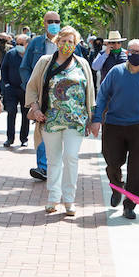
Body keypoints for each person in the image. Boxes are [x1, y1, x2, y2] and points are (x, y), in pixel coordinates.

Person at [26, 25, 94, 216]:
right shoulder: (45, 62)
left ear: (76, 44)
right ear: (57, 42)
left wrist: (91, 118)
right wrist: (36, 108)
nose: (66, 45)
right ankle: (53, 198)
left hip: (76, 120)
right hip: (51, 119)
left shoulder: (82, 64)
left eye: (70, 42)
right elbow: (32, 88)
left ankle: (69, 200)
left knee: (71, 157)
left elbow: (90, 92)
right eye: (63, 41)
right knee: (53, 159)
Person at [92, 38, 139, 220]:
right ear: (126, 52)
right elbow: (102, 95)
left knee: (137, 169)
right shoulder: (116, 72)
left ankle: (129, 205)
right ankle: (116, 185)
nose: (135, 55)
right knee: (112, 161)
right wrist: (97, 118)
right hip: (114, 124)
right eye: (132, 51)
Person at [20, 12, 62, 180]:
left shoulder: (67, 42)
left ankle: (56, 165)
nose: (53, 24)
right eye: (50, 21)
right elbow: (24, 68)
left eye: (56, 21)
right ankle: (43, 167)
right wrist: (31, 91)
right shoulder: (36, 43)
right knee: (42, 129)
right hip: (42, 96)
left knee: (60, 132)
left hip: (63, 96)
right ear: (44, 23)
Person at [1, 32, 31, 147]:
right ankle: (10, 138)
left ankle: (24, 138)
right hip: (12, 89)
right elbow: (4, 69)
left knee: (26, 114)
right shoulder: (10, 54)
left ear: (27, 44)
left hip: (26, 90)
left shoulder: (30, 55)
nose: (19, 45)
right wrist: (6, 84)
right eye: (17, 43)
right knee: (11, 112)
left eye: (21, 43)